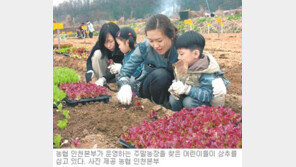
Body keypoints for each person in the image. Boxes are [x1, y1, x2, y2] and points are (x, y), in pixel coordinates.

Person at [116, 14, 178, 108]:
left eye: (159, 40)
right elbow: (125, 72)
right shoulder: (145, 47)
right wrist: (125, 85)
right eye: (151, 41)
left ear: (171, 36)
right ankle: (161, 106)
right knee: (161, 74)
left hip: (177, 87)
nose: (156, 45)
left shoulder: (181, 45)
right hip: (151, 86)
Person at [168, 31, 230, 111]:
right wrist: (176, 87)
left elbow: (207, 95)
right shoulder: (185, 65)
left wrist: (187, 89)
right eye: (178, 54)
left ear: (196, 54)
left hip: (206, 102)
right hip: (191, 95)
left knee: (189, 102)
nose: (179, 57)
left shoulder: (206, 72)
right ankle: (179, 118)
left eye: (181, 54)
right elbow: (180, 81)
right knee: (173, 99)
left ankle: (197, 120)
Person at [112, 27, 144, 92]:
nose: (119, 47)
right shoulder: (127, 53)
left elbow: (137, 72)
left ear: (127, 42)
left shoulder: (137, 53)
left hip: (138, 84)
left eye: (119, 44)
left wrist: (121, 68)